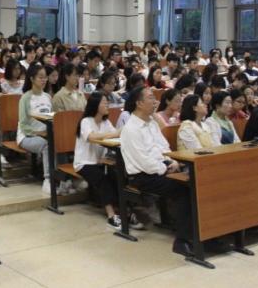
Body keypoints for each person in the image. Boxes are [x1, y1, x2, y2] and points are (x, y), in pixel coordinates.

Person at [120, 86, 194, 257]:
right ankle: (182, 241)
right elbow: (145, 162)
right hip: (143, 176)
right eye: (151, 98)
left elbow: (164, 147)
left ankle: (203, 233)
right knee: (184, 190)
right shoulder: (131, 129)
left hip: (163, 168)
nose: (155, 101)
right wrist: (166, 168)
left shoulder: (152, 123)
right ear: (139, 103)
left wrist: (172, 161)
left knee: (196, 181)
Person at [74, 92, 144, 231]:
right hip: (84, 163)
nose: (107, 105)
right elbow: (92, 137)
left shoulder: (105, 122)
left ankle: (126, 212)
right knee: (103, 180)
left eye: (107, 102)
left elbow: (116, 136)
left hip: (100, 162)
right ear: (95, 105)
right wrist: (115, 133)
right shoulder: (86, 121)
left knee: (117, 177)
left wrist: (122, 132)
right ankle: (111, 216)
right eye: (104, 103)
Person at [18, 64, 52, 194]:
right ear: (32, 79)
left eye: (45, 77)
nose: (44, 80)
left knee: (60, 142)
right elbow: (23, 125)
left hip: (45, 134)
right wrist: (39, 133)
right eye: (40, 77)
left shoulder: (48, 97)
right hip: (26, 137)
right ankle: (48, 180)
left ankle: (65, 179)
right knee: (47, 145)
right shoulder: (26, 98)